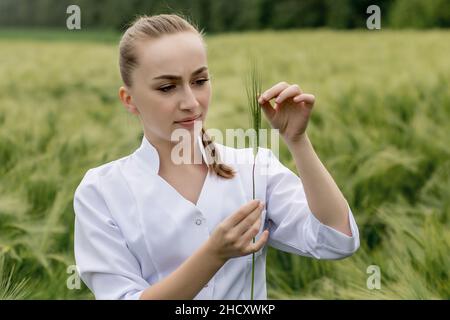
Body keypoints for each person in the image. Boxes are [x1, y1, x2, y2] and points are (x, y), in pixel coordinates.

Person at [73, 13, 360, 300]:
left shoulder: (255, 168)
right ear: (129, 99)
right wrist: (213, 254)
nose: (191, 102)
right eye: (167, 87)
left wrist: (297, 141)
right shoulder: (101, 191)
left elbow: (337, 240)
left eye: (199, 81)